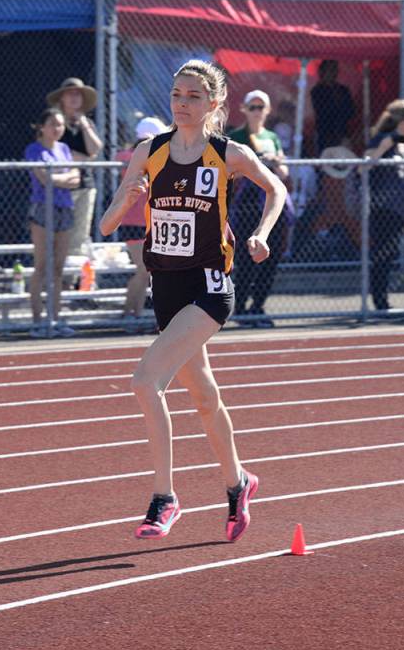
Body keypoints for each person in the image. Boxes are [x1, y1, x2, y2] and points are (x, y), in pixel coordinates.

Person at [99, 59, 286, 542]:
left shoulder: (229, 153)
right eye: (177, 95)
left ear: (215, 104)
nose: (182, 104)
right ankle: (238, 481)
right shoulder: (150, 151)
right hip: (168, 287)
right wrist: (128, 199)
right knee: (203, 396)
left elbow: (276, 189)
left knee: (145, 382)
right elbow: (105, 225)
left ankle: (164, 497)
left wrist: (261, 233)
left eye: (194, 97)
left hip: (209, 286)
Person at [228, 89, 292, 327]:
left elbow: (284, 173)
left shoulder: (272, 137)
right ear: (244, 109)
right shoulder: (237, 136)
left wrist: (275, 163)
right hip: (246, 205)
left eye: (260, 107)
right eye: (252, 107)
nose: (257, 112)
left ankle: (259, 306)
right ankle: (242, 308)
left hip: (270, 203)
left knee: (270, 257)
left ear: (267, 110)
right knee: (245, 258)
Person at [25, 107, 80, 338]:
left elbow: (76, 178)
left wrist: (57, 179)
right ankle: (38, 320)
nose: (58, 129)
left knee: (58, 268)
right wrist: (59, 178)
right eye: (53, 124)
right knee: (42, 265)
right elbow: (42, 177)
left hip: (64, 208)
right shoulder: (34, 149)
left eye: (60, 124)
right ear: (42, 127)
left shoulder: (65, 148)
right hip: (42, 209)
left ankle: (54, 318)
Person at [364, 99, 404, 311]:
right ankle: (379, 301)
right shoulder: (383, 139)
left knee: (390, 256)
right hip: (382, 208)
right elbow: (365, 166)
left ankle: (384, 300)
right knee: (381, 256)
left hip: (399, 207)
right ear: (403, 123)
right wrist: (384, 146)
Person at [114, 116, 167, 332]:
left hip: (149, 221)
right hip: (133, 221)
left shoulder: (150, 157)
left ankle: (134, 314)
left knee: (148, 271)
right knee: (143, 270)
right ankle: (127, 313)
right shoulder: (133, 157)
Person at [47, 78, 103, 260]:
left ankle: (72, 281)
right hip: (62, 186)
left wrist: (84, 123)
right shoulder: (54, 122)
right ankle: (56, 277)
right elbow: (59, 152)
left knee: (79, 234)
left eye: (78, 94)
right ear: (62, 97)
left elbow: (95, 149)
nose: (74, 98)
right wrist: (86, 159)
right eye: (70, 93)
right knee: (60, 233)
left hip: (85, 185)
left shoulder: (86, 123)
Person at [310, 59, 355, 154]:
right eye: (329, 70)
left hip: (342, 128)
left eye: (334, 70)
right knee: (325, 153)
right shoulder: (317, 90)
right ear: (322, 72)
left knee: (343, 153)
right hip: (324, 130)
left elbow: (350, 109)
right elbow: (320, 110)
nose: (332, 73)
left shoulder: (343, 90)